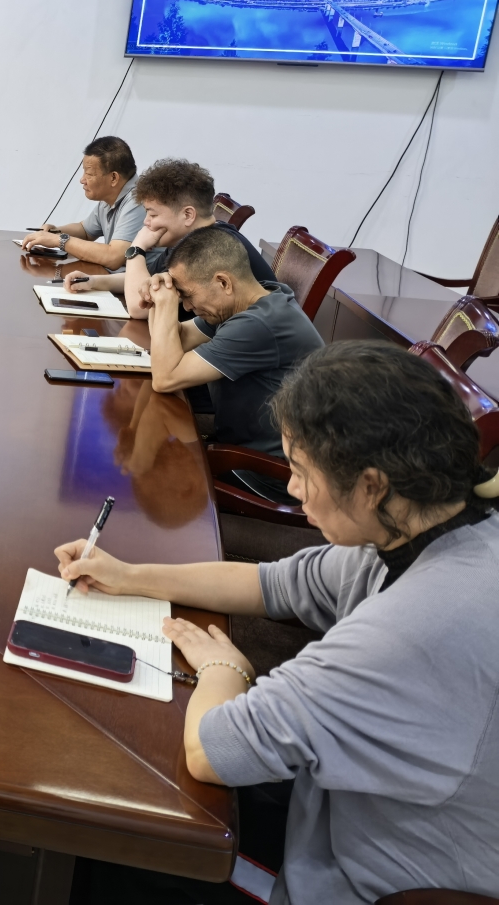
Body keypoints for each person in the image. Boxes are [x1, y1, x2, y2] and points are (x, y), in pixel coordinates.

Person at [60, 340, 499, 905]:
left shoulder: (404, 632)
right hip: (359, 804)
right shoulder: (432, 529)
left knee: (125, 841)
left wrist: (224, 669)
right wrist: (128, 576)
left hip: (361, 875)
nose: (291, 488)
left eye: (300, 471)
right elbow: (271, 584)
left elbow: (209, 752)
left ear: (371, 485)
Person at [146, 224, 322, 455]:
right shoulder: (251, 300)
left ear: (223, 283)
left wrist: (165, 304)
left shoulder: (258, 324)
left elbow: (164, 378)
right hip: (238, 441)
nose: (186, 306)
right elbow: (176, 338)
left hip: (263, 465)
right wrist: (158, 296)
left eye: (187, 295)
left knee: (154, 451)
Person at [62, 159, 275, 316]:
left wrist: (136, 249)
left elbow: (140, 308)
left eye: (153, 215)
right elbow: (145, 281)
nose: (146, 222)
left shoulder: (208, 251)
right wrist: (93, 282)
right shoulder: (191, 240)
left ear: (188, 215)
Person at [21, 136, 143, 270]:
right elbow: (85, 231)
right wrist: (54, 231)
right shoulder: (110, 197)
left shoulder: (138, 200)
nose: (82, 180)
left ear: (113, 178)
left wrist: (59, 241)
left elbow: (113, 257)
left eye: (89, 174)